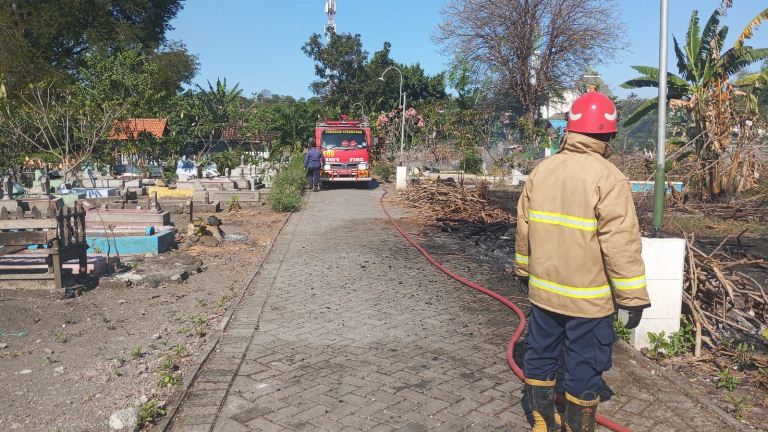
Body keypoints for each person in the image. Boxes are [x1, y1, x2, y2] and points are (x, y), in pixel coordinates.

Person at [515, 90, 651, 432]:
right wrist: (632, 298)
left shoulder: (541, 171)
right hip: (588, 302)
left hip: (543, 294)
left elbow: (524, 230)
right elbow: (620, 244)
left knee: (540, 356)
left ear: (570, 129)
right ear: (609, 134)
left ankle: (542, 423)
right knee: (584, 366)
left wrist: (523, 270)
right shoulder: (609, 178)